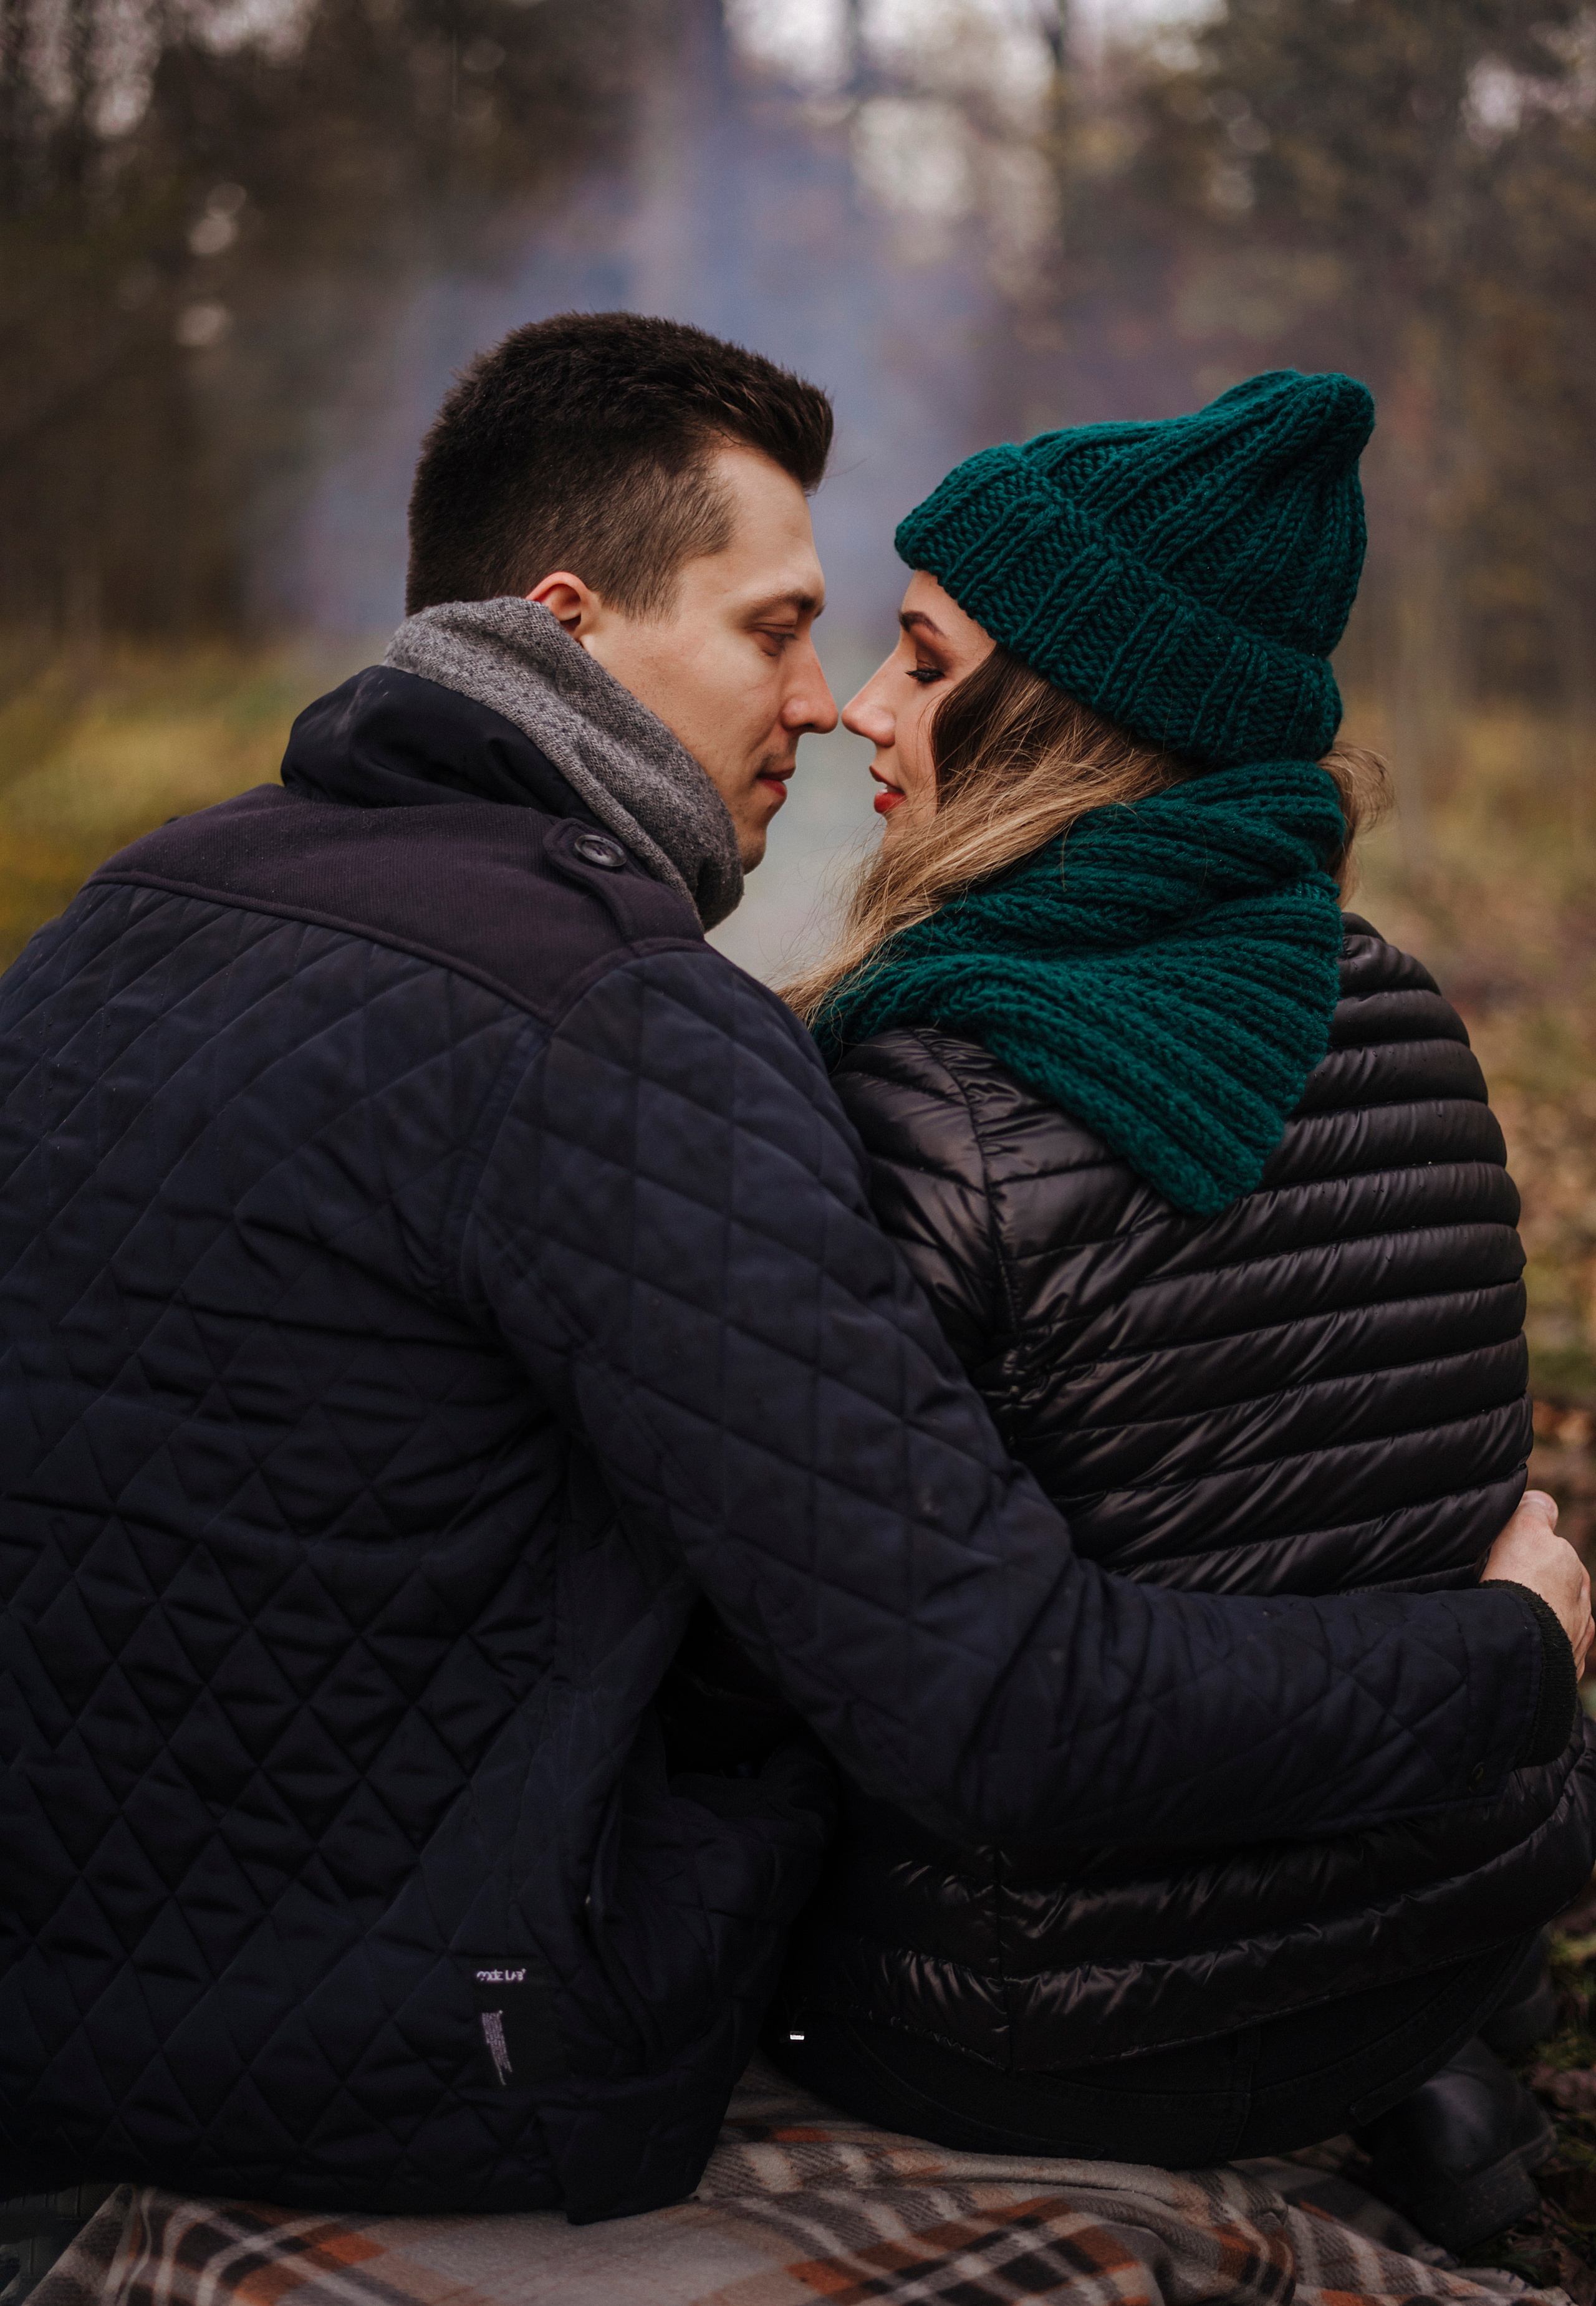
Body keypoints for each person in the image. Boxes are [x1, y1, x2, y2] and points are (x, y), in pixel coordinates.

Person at [0, 320, 1589, 2231]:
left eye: (889, 650)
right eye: (780, 629)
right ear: (568, 622)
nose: (833, 705)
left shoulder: (136, 901)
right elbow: (993, 1692)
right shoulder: (627, 1021)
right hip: (427, 2060)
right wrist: (1509, 1666)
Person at [767, 369, 1595, 2252]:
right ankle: (1428, 2086)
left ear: (1064, 714)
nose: (865, 717)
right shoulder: (1402, 1011)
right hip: (1429, 1941)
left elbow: (829, 1658)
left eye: (917, 660)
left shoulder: (924, 1093)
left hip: (1034, 2042)